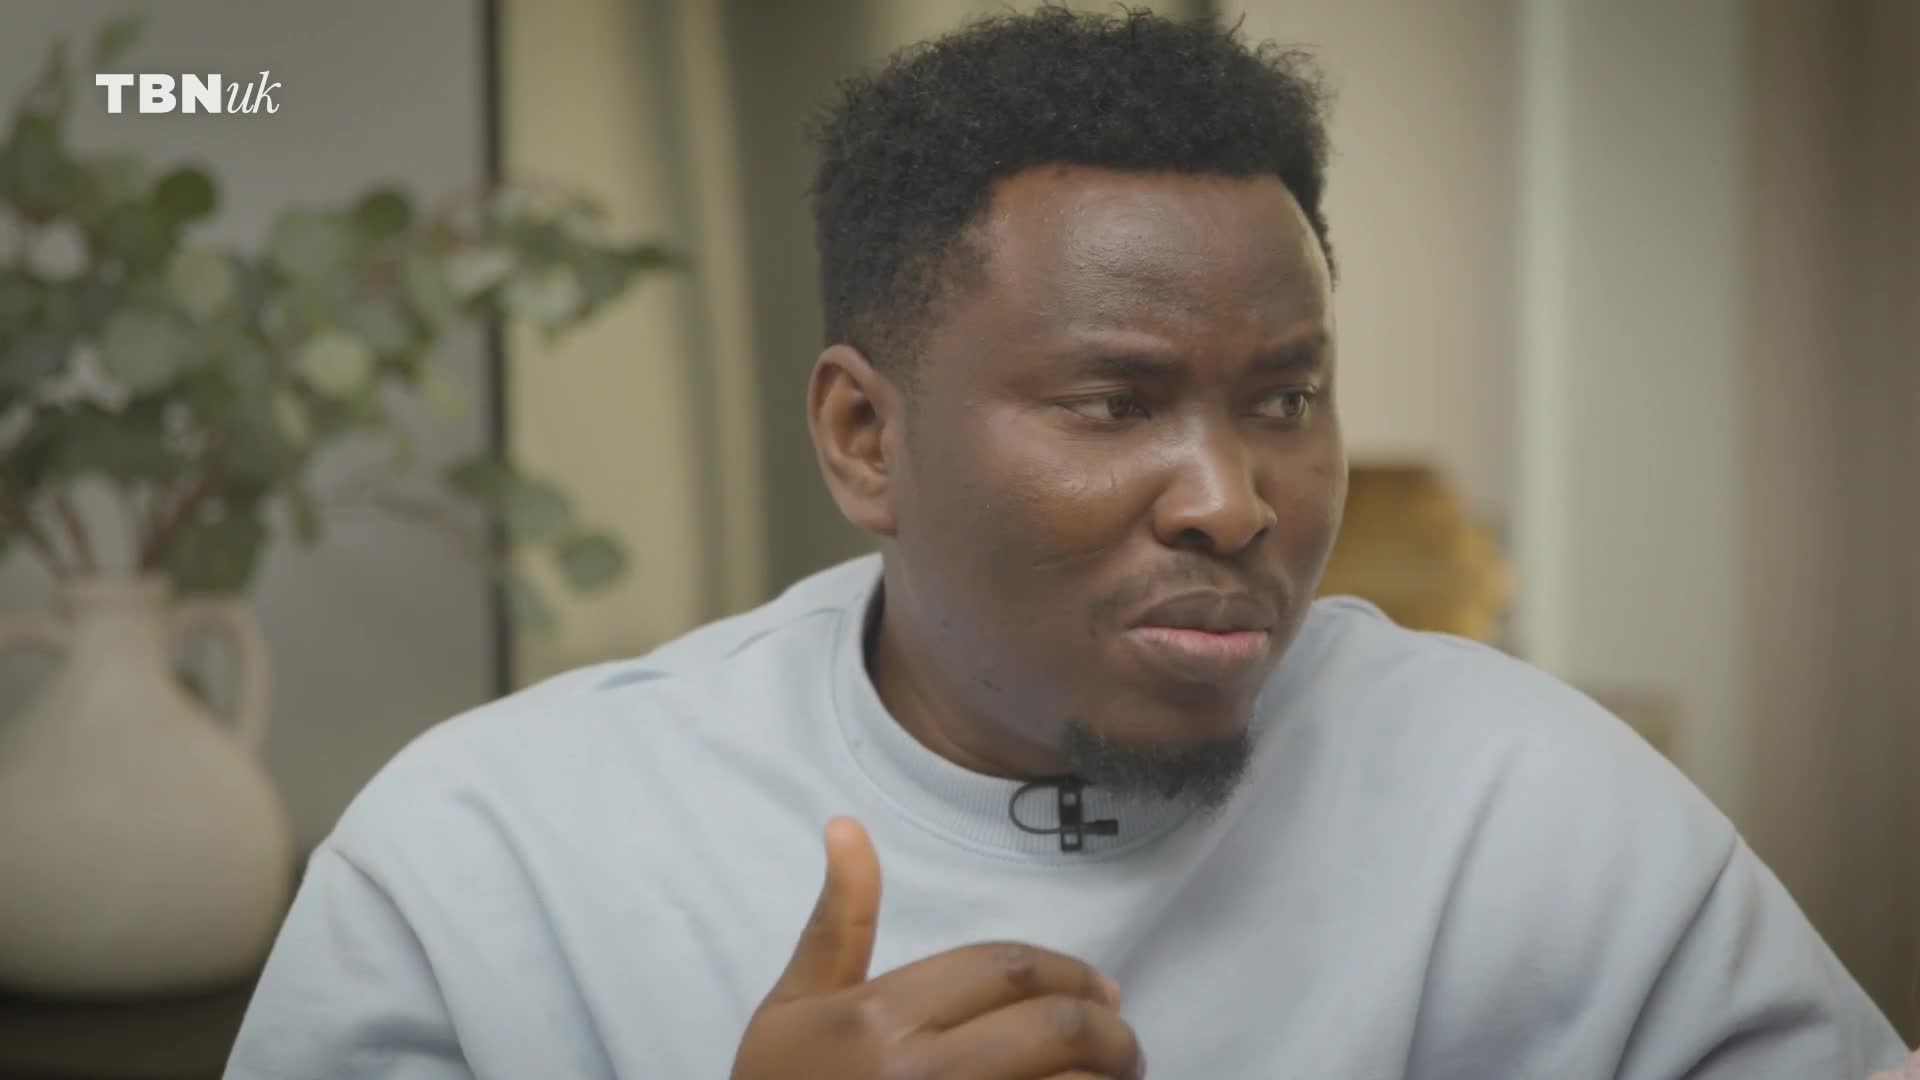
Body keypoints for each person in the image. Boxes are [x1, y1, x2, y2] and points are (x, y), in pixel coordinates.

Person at [227, 7, 1910, 1078]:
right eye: (1118, 403)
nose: (1233, 500)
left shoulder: (1530, 806)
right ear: (863, 437)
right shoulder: (489, 860)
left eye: (1283, 398)